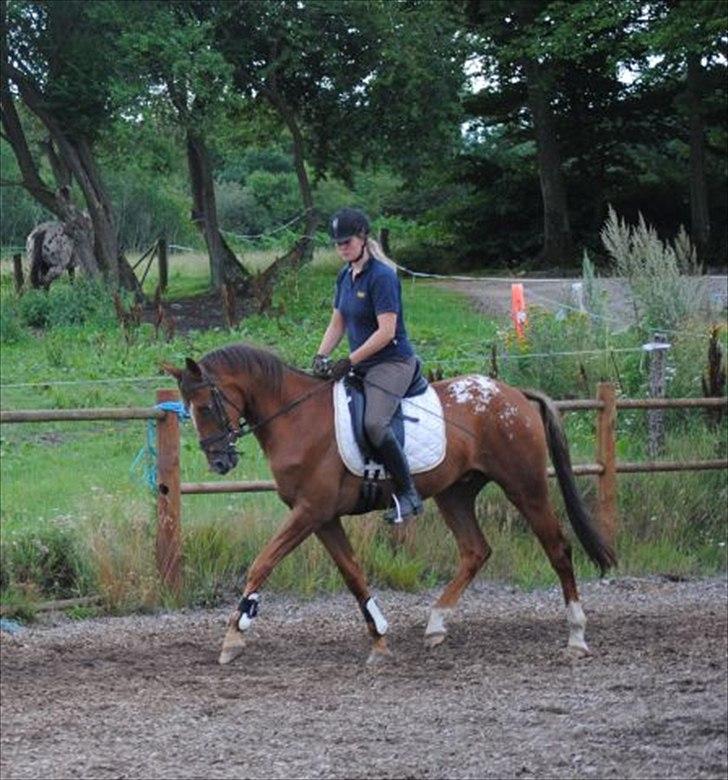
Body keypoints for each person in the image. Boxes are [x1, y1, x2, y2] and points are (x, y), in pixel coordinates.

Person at [312, 207, 423, 524]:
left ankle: (408, 494)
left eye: (346, 242)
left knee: (375, 423)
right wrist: (321, 356)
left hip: (392, 361)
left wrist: (349, 360)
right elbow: (338, 322)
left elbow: (386, 331)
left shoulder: (383, 276)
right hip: (362, 364)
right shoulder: (345, 276)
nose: (341, 248)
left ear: (362, 237)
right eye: (337, 243)